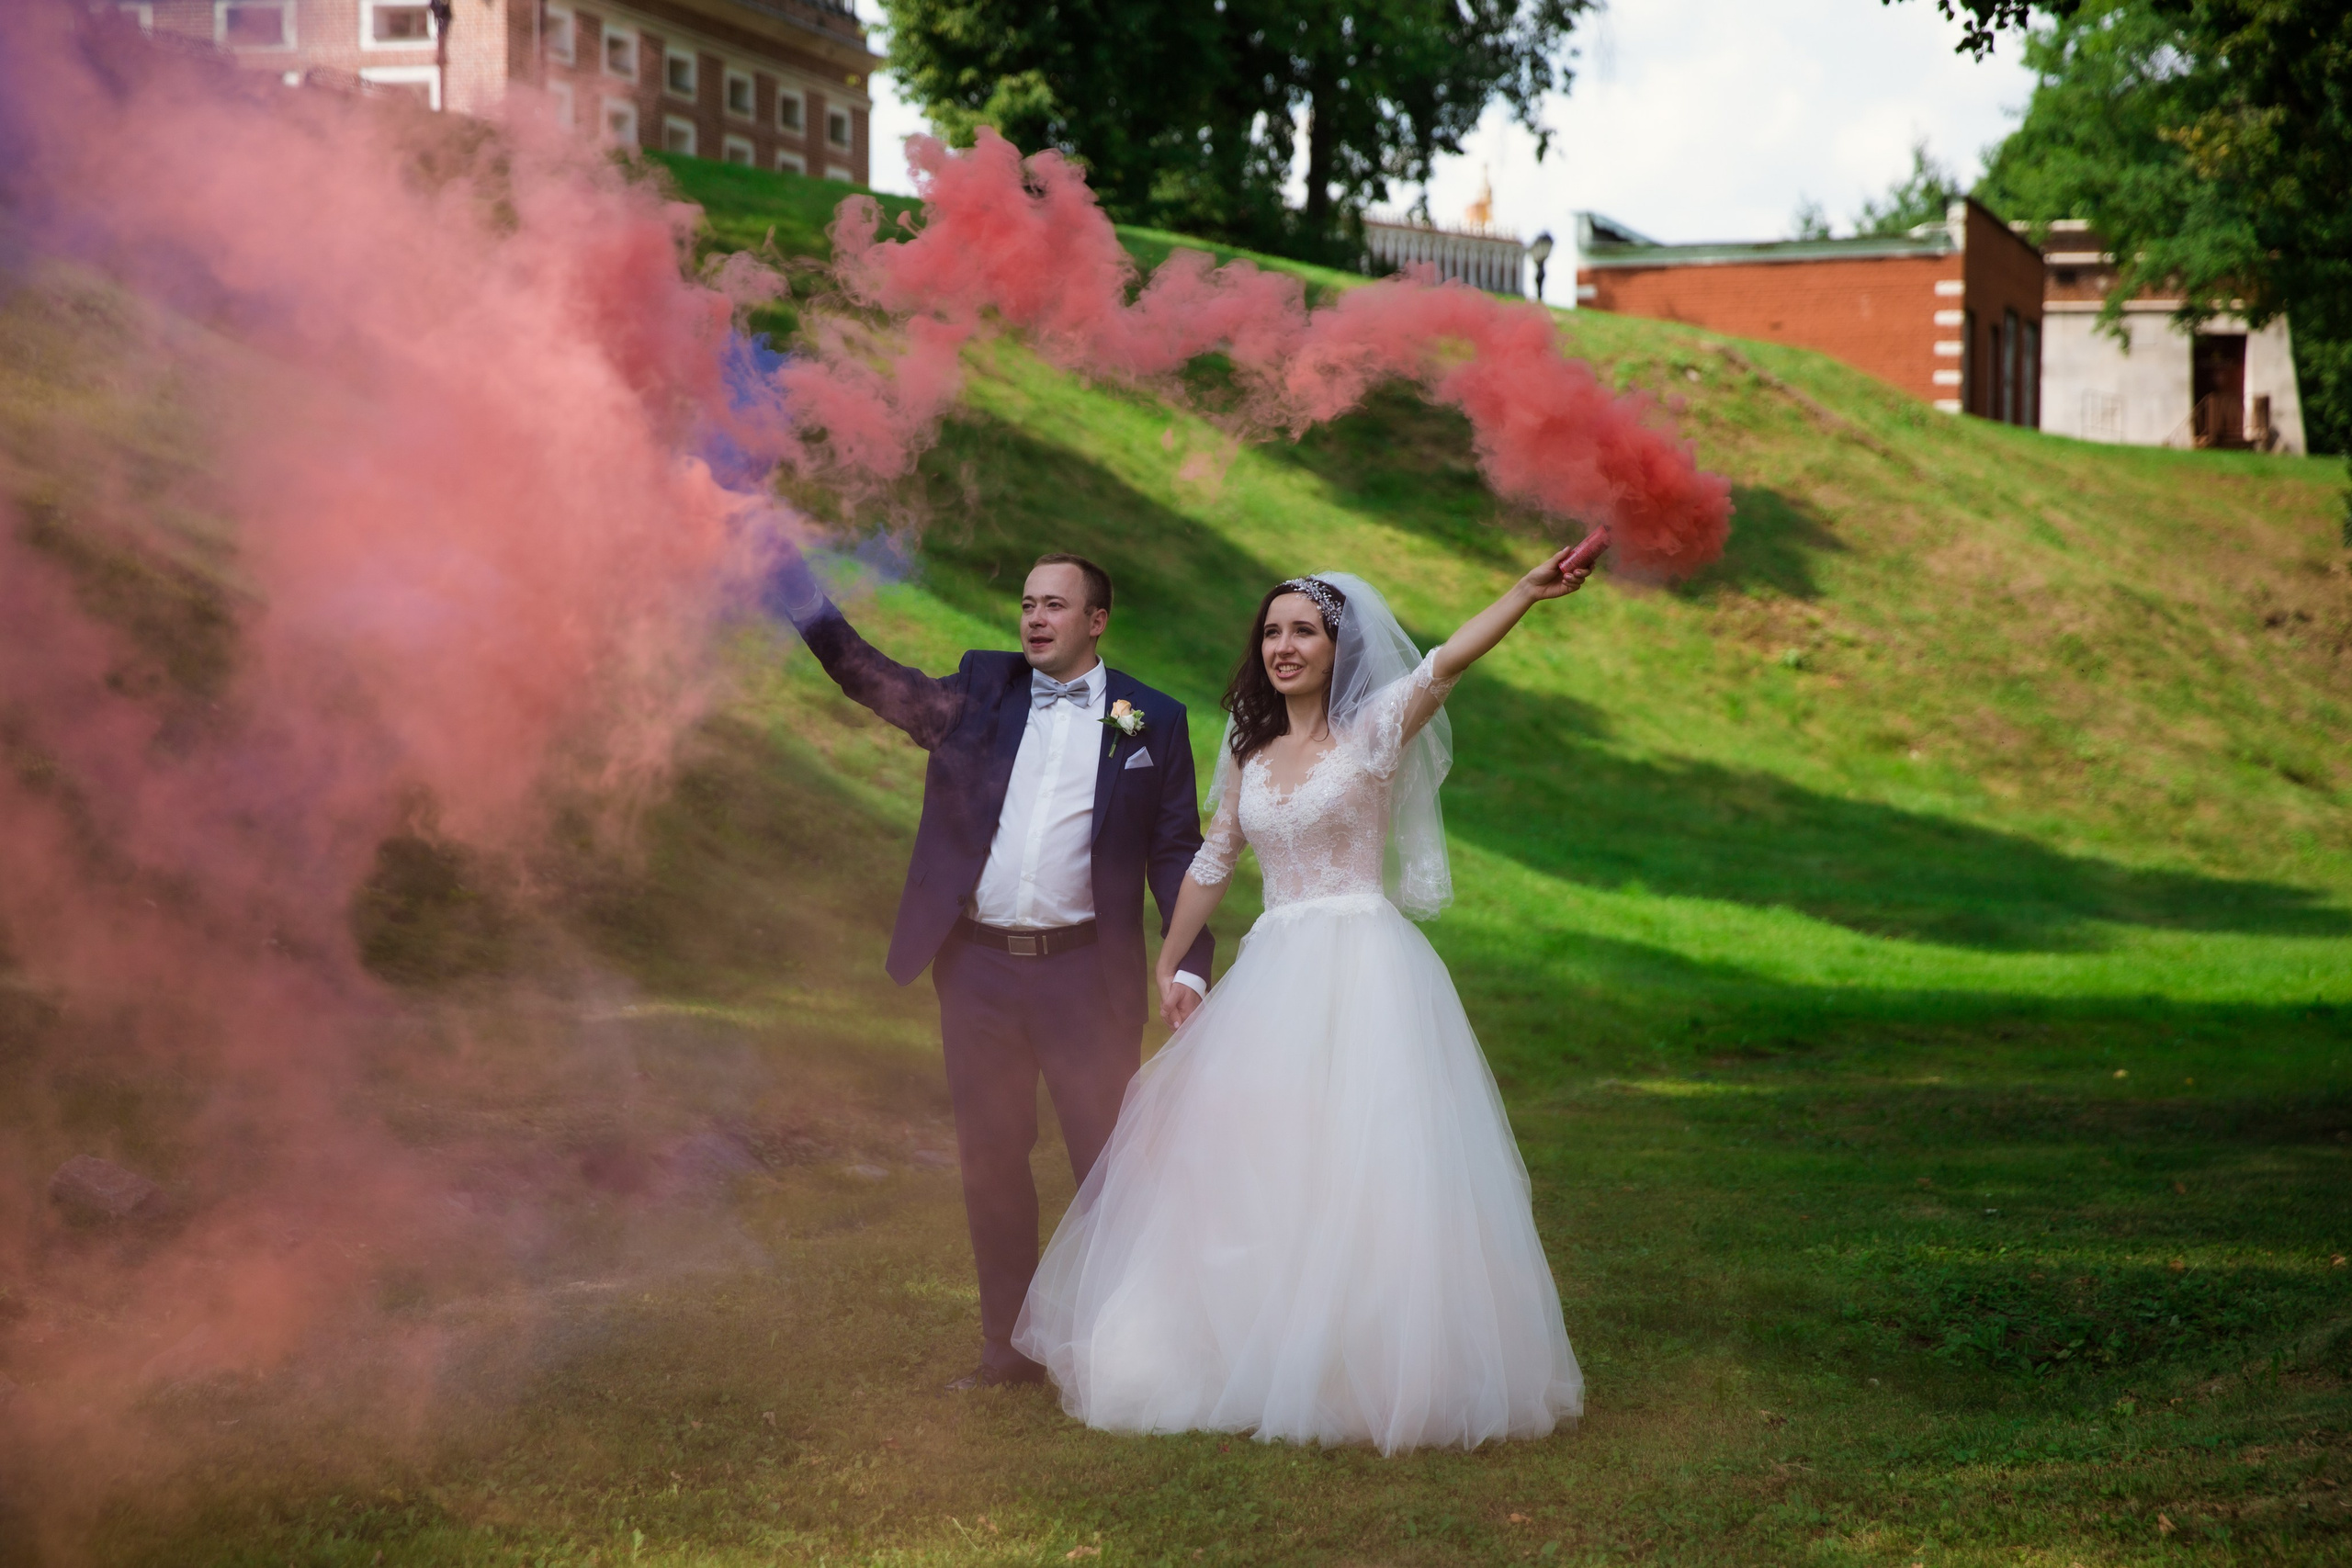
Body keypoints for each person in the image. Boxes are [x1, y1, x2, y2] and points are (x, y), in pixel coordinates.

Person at [1013, 549, 1590, 1452]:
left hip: (1362, 965)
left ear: (1337, 647)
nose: (1283, 646)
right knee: (1252, 1155)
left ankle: (1365, 1361)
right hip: (1273, 966)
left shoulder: (1372, 732)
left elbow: (1443, 662)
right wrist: (1171, 962)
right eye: (1272, 631)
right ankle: (1246, 1342)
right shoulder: (1247, 747)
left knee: (1365, 1154)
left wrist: (1523, 591)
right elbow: (1213, 861)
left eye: (1303, 632)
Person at [771, 547, 1215, 1390]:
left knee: (1109, 1163)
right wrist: (807, 603)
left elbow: (1175, 851)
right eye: (1027, 604)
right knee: (991, 1155)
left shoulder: (1148, 719)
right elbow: (870, 677)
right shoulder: (979, 691)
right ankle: (1006, 1348)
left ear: (1097, 621)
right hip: (977, 973)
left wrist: (1187, 962)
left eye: (1055, 605)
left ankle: (1125, 1347)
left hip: (1087, 974)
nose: (1036, 619)